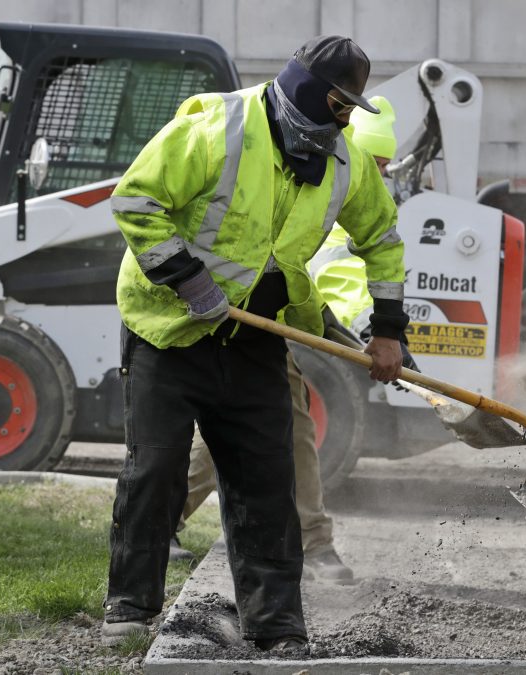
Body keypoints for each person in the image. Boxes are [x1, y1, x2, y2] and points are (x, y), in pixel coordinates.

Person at [103, 36, 408, 655]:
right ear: (313, 94)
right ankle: (130, 610)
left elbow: (382, 238)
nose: (348, 120)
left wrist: (389, 331)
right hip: (168, 328)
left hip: (256, 337)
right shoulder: (218, 126)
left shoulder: (341, 160)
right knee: (156, 469)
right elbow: (136, 200)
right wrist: (191, 283)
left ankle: (275, 628)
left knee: (266, 482)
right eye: (343, 105)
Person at [170, 96, 403, 586]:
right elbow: (332, 271)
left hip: (276, 313)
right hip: (226, 310)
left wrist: (383, 333)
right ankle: (162, 521)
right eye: (378, 162)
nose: (381, 173)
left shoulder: (345, 182)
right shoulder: (325, 180)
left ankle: (313, 544)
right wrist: (364, 328)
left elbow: (333, 271)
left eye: (386, 165)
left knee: (292, 426)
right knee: (235, 425)